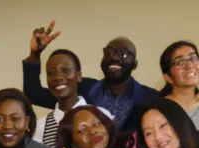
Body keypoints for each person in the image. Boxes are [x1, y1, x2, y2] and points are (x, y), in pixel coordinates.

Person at [23, 20, 158, 132]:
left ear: (135, 64)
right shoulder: (82, 88)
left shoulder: (151, 97)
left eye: (123, 53)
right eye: (109, 52)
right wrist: (35, 55)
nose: (114, 57)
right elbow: (34, 95)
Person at [160, 41, 199, 131]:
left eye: (193, 58)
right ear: (168, 77)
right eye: (180, 62)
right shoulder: (159, 109)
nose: (189, 65)